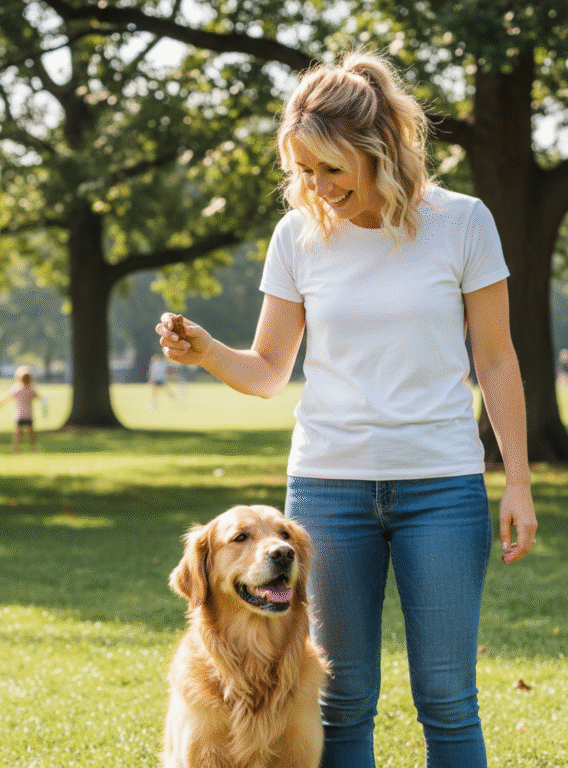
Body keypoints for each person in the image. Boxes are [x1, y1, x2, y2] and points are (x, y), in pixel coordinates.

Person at [156, 51, 537, 768]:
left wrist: (516, 481)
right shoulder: (296, 237)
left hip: (443, 488)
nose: (315, 187)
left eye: (331, 169)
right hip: (328, 491)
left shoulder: (463, 224)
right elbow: (270, 372)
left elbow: (496, 360)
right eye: (302, 169)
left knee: (449, 699)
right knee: (343, 696)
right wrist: (207, 350)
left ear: (379, 150)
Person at [0, 366, 40, 452]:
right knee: (31, 432)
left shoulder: (17, 388)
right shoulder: (31, 389)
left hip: (19, 414)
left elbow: (7, 398)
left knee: (18, 433)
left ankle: (16, 449)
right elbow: (38, 397)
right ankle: (33, 448)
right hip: (29, 414)